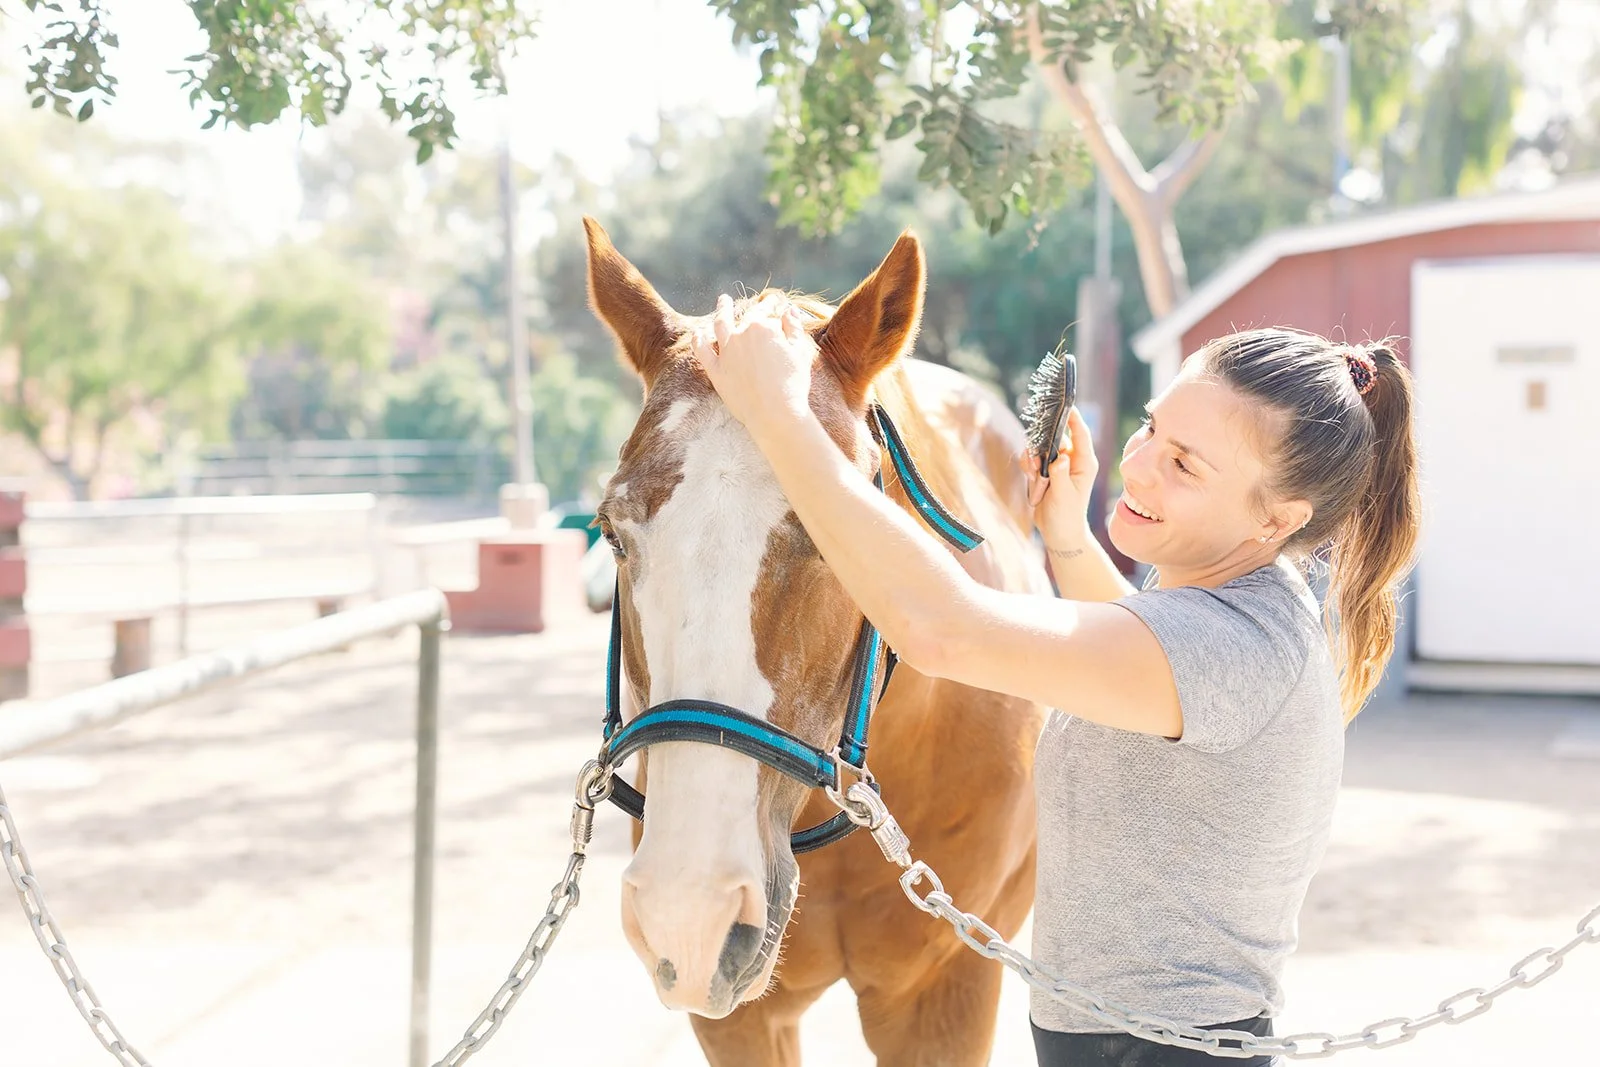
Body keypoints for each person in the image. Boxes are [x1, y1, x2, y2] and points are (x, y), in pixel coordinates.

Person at [690, 294, 1421, 1067]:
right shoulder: (1237, 614)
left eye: (1184, 463)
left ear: (1276, 519)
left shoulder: (1232, 645)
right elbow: (1135, 649)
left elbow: (944, 630)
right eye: (1151, 428)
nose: (1137, 463)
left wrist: (783, 420)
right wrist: (1067, 540)